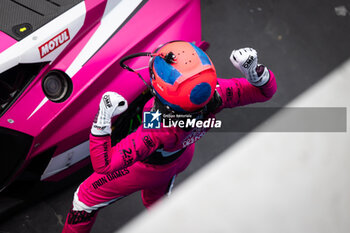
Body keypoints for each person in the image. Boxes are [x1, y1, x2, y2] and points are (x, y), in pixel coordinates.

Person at [62, 41, 277, 232]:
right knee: (157, 202)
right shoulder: (216, 92)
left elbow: (104, 165)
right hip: (179, 158)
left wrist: (103, 118)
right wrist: (254, 73)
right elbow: (265, 91)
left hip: (147, 168)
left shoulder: (156, 127)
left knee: (84, 198)